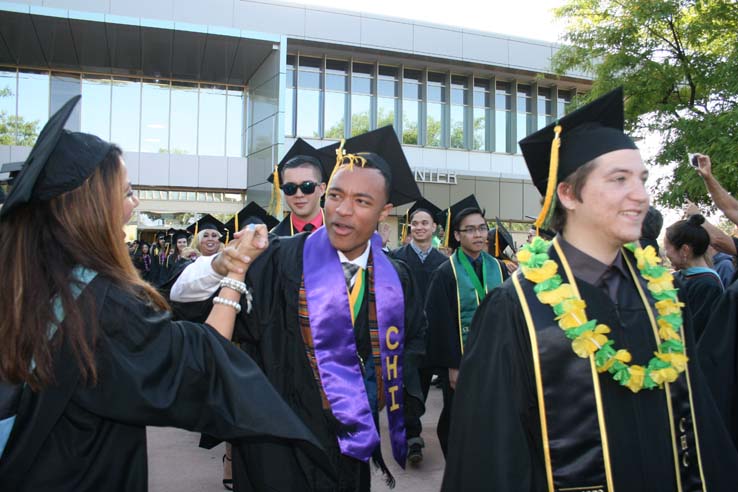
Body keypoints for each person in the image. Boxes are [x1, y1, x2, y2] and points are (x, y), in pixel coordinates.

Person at [0, 96, 325, 492]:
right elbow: (195, 366)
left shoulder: (29, 279)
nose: (134, 206)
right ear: (93, 207)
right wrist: (236, 271)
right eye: (127, 192)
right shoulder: (99, 303)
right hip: (82, 473)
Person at [443, 87, 738, 491]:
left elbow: (701, 428)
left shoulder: (664, 299)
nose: (641, 195)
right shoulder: (517, 311)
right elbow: (491, 460)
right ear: (568, 193)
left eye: (641, 179)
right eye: (619, 179)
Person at [170, 126, 427, 491]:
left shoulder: (396, 279)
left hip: (348, 437)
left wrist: (379, 393)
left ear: (384, 212)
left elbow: (412, 342)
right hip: (276, 433)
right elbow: (183, 298)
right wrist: (222, 263)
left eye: (362, 201)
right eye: (336, 195)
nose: (343, 209)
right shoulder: (279, 256)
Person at [425, 194, 507, 457]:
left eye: (482, 228)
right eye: (470, 230)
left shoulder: (499, 268)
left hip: (495, 359)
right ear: (457, 236)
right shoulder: (446, 273)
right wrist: (452, 365)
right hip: (462, 361)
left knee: (493, 416)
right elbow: (440, 323)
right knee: (458, 418)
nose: (479, 234)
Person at [388, 198, 448, 464]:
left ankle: (417, 430)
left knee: (428, 388)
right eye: (415, 223)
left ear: (434, 227)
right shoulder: (398, 258)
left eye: (425, 223)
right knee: (409, 388)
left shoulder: (444, 262)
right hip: (406, 336)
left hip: (434, 337)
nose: (419, 227)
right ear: (409, 227)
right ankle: (413, 437)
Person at [663, 214, 724, 341]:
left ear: (685, 250)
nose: (666, 254)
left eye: (667, 248)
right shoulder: (680, 277)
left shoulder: (707, 285)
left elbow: (695, 333)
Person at [267, 138, 334, 236]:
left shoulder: (342, 231)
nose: (299, 194)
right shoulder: (274, 240)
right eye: (290, 188)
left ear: (322, 189)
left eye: (307, 186)